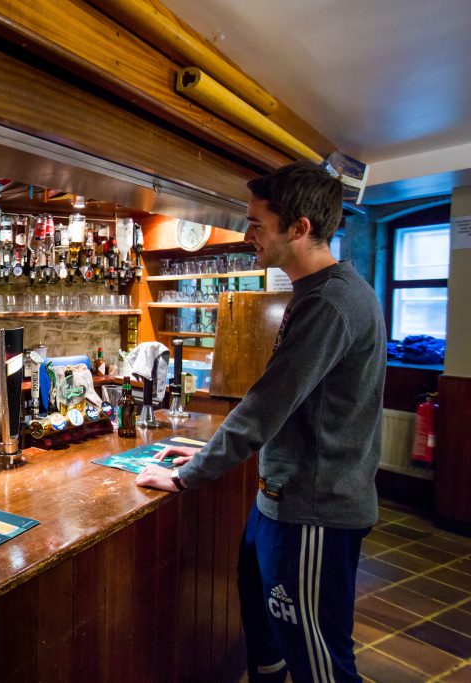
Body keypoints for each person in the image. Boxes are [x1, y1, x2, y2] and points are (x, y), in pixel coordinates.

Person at [136, 161, 385, 683]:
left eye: (256, 223)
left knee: (319, 659)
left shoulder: (331, 302)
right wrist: (202, 456)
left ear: (299, 229)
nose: (247, 234)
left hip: (314, 507)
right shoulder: (318, 293)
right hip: (283, 499)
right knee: (265, 631)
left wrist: (188, 474)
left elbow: (267, 405)